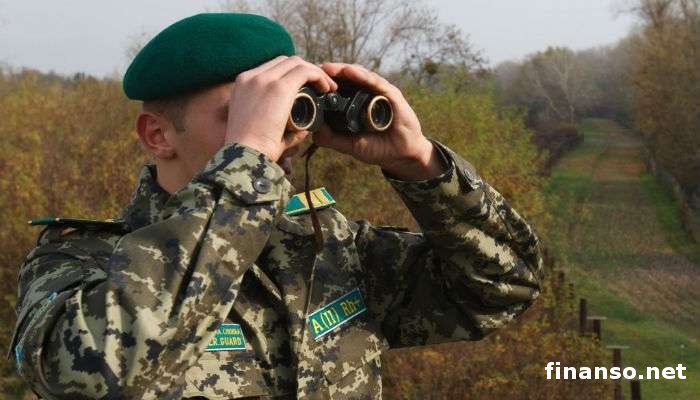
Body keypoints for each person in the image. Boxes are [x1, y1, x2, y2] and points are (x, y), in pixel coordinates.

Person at [11, 12, 544, 400]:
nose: (276, 132)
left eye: (285, 109)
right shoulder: (80, 264)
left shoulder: (328, 250)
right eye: (241, 113)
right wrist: (248, 160)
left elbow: (504, 287)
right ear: (157, 135)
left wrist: (421, 164)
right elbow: (94, 372)